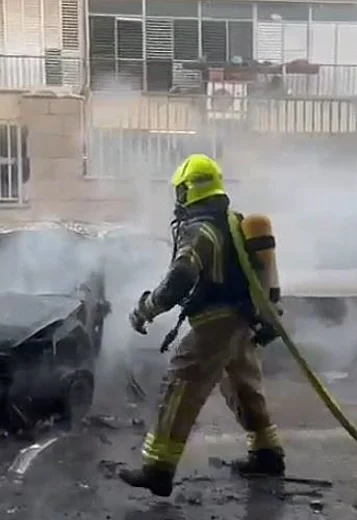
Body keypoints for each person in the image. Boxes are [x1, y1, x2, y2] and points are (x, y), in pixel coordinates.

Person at [119, 153, 286, 497]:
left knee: (180, 385)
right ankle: (267, 453)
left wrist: (147, 309)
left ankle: (158, 468)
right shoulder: (233, 221)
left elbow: (181, 275)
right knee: (243, 386)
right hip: (242, 320)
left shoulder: (200, 229)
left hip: (215, 322)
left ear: (185, 192)